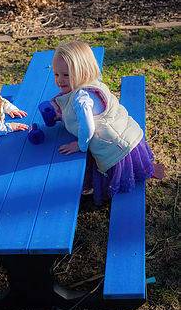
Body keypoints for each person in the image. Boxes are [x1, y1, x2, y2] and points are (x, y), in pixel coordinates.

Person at [51, 40, 164, 205]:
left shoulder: (82, 98)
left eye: (66, 75)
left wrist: (80, 145)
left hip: (116, 149)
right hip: (129, 135)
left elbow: (88, 127)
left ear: (83, 71)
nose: (60, 80)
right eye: (56, 74)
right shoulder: (92, 83)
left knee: (112, 176)